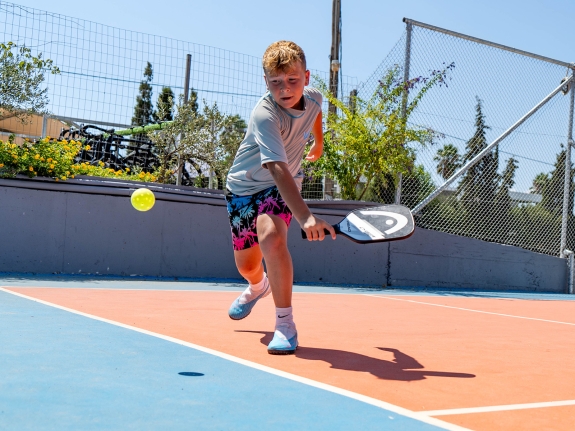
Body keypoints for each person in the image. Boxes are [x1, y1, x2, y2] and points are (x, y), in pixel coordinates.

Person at [225, 40, 336, 355]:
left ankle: (285, 324)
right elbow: (275, 166)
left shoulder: (313, 97)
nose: (285, 88)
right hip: (244, 187)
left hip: (282, 185)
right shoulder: (265, 114)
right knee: (247, 265)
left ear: (307, 77)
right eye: (276, 82)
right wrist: (307, 217)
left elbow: (315, 112)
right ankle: (258, 286)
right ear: (266, 82)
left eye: (293, 80)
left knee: (272, 238)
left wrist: (318, 142)